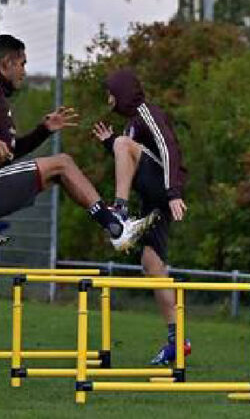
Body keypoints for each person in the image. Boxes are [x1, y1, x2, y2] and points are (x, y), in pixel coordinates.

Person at [0, 35, 156, 397]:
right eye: (23, 64)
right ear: (6, 63)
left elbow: (11, 156)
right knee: (62, 166)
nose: (25, 72)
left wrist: (43, 131)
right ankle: (115, 225)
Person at [92, 68, 190, 366]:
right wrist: (112, 144)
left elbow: (169, 147)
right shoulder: (132, 125)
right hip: (152, 200)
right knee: (152, 265)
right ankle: (177, 340)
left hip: (164, 186)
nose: (108, 99)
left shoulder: (148, 113)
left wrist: (174, 191)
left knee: (123, 143)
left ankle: (120, 211)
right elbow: (133, 160)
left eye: (110, 93)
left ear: (121, 93)